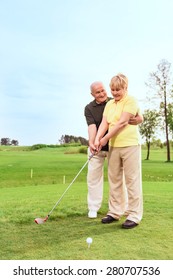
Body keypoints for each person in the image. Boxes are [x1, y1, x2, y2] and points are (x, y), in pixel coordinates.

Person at [84, 81, 143, 219]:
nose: (102, 94)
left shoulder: (122, 100)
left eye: (103, 90)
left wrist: (140, 118)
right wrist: (94, 141)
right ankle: (105, 210)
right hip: (104, 146)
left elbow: (128, 119)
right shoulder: (92, 108)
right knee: (104, 179)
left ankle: (130, 212)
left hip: (120, 144)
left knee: (128, 179)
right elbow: (96, 126)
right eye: (97, 92)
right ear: (92, 94)